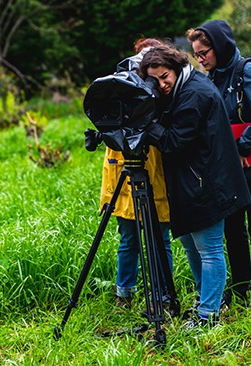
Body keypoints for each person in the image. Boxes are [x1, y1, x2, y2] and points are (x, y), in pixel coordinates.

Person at [138, 45, 251, 328]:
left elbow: (173, 143)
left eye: (165, 76)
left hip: (206, 183)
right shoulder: (183, 88)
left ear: (176, 68)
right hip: (191, 182)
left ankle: (209, 315)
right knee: (191, 245)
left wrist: (145, 122)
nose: (161, 84)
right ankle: (205, 301)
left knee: (209, 250)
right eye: (155, 80)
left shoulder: (194, 95)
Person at [187, 20, 251, 307]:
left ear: (220, 46)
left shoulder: (247, 72)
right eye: (196, 54)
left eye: (204, 52)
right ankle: (240, 285)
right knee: (232, 226)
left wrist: (243, 147)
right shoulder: (211, 77)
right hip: (230, 166)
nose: (201, 59)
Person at [98, 37, 174, 308]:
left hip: (154, 165)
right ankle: (124, 292)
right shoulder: (121, 85)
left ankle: (165, 293)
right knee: (128, 236)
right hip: (124, 164)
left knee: (160, 237)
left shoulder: (165, 90)